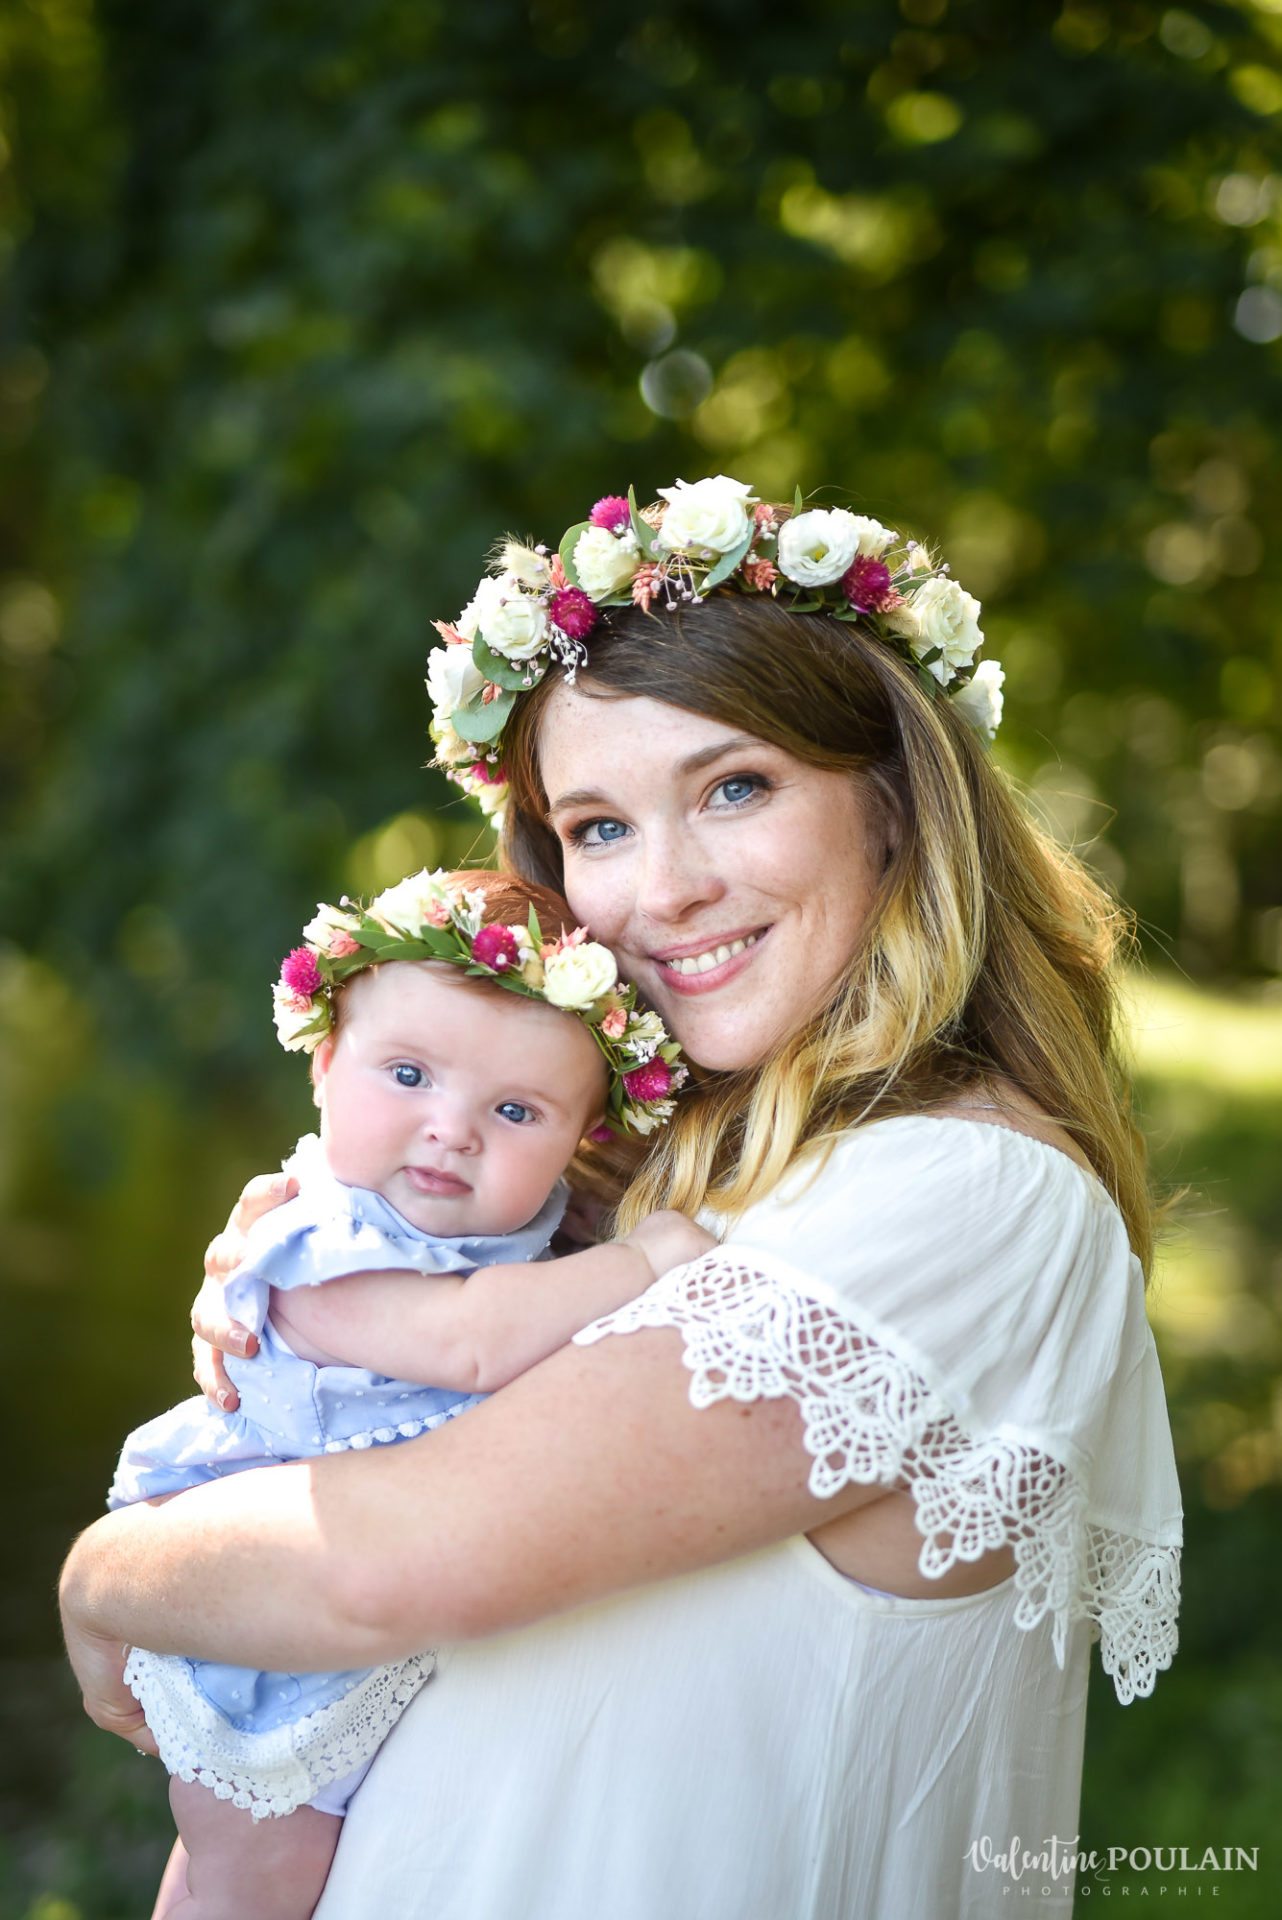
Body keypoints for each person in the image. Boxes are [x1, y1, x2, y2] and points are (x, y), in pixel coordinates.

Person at [61, 477, 1182, 1919]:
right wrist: (334, 1263)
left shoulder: (965, 1193)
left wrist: (105, 1576)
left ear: (896, 809)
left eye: (733, 788)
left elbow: (398, 1561)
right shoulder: (672, 1184)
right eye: (597, 829)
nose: (662, 890)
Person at [105, 865, 705, 1920]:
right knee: (258, 1876)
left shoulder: (505, 1239)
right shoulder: (316, 1240)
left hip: (373, 1607)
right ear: (325, 1063)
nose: (452, 1128)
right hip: (271, 1607)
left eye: (514, 1109)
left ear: (582, 1141)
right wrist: (651, 1259)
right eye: (409, 1075)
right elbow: (470, 1345)